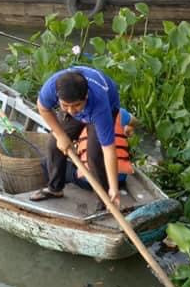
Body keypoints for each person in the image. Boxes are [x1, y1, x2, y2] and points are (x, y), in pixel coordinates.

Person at [32, 66, 124, 207]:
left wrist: (114, 188)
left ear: (86, 96)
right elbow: (43, 108)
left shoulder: (100, 106)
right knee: (54, 145)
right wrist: (61, 135)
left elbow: (109, 150)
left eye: (76, 105)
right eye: (65, 105)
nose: (70, 110)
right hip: (81, 104)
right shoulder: (52, 87)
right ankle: (55, 189)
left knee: (94, 155)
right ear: (58, 97)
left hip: (104, 107)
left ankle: (106, 200)